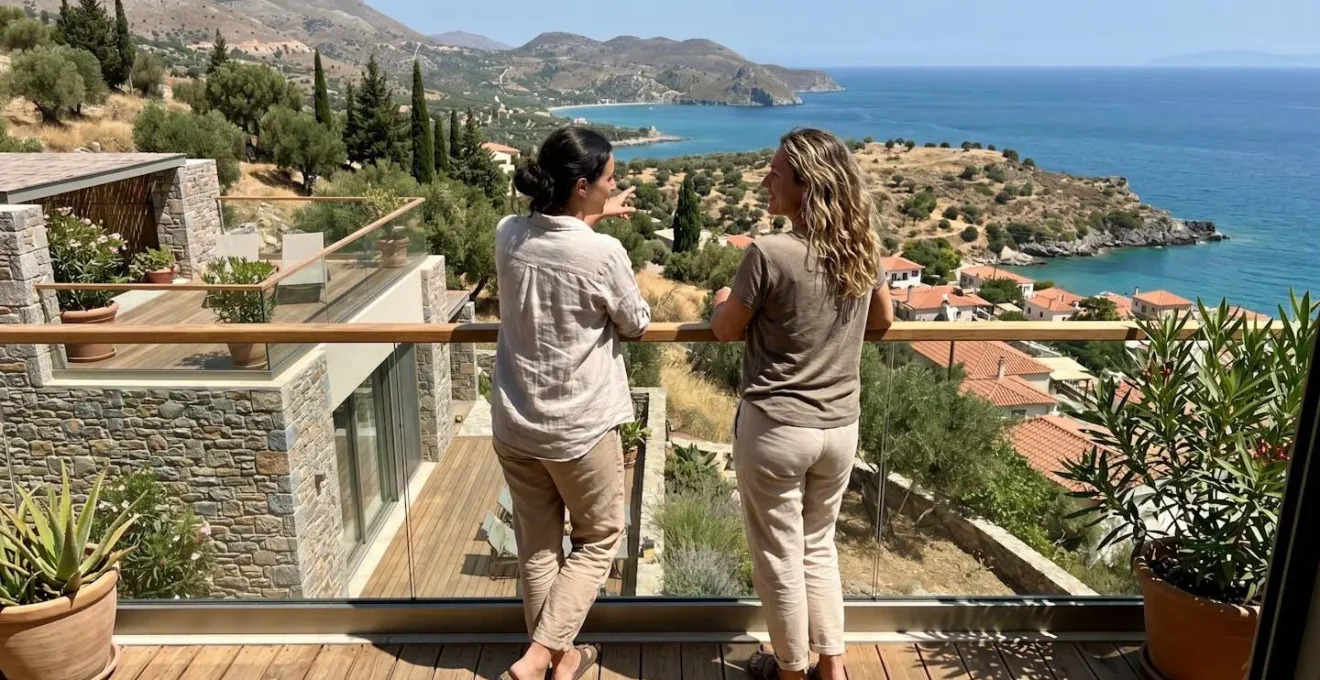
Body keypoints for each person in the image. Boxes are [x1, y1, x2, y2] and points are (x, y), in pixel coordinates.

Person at [709, 128, 893, 680]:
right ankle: (831, 664)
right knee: (818, 545)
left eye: (776, 173)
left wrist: (723, 299)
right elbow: (883, 320)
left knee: (779, 556)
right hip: (839, 427)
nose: (766, 180)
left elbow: (724, 331)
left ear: (806, 187)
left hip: (777, 427)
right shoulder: (860, 250)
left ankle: (790, 670)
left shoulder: (770, 252)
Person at [492, 126, 650, 680]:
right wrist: (599, 234)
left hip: (515, 420)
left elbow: (556, 244)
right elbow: (636, 322)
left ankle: (560, 663)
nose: (616, 186)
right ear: (582, 186)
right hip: (578, 428)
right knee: (600, 537)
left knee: (538, 548)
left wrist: (594, 219)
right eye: (609, 180)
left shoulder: (508, 232)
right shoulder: (603, 253)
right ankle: (540, 657)